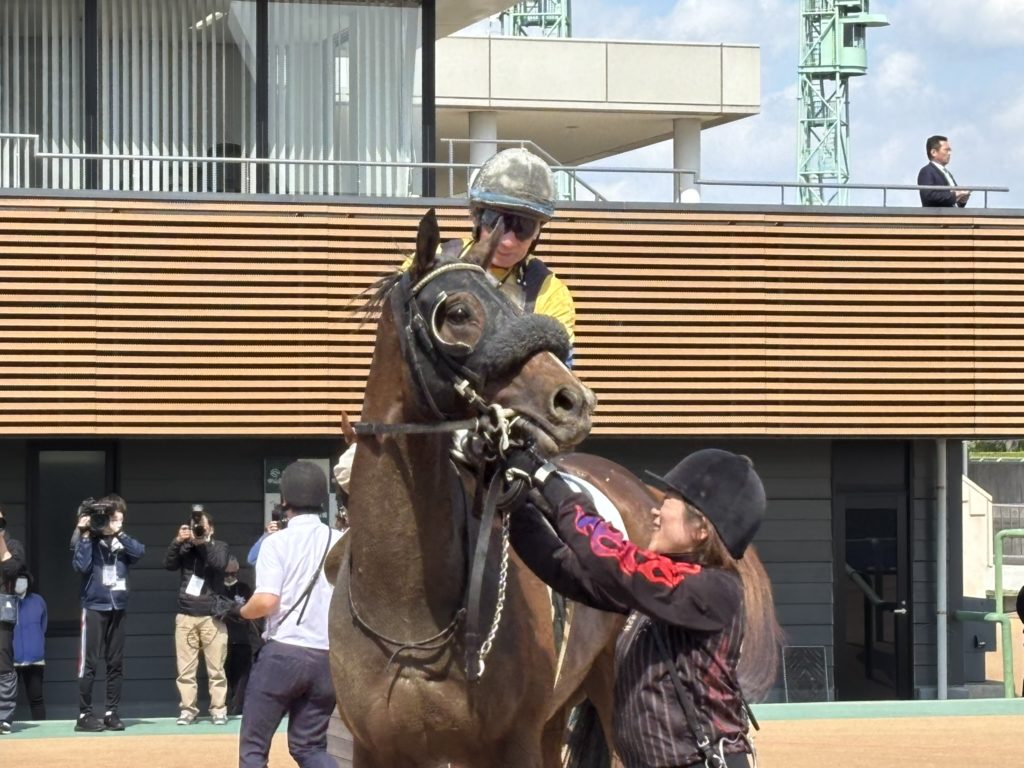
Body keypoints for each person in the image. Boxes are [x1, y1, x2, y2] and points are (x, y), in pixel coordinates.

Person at [501, 447, 782, 768]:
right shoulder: (661, 590)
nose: (655, 513)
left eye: (667, 503)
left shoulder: (714, 590)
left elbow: (610, 558)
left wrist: (551, 483)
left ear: (701, 529)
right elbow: (566, 571)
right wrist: (518, 509)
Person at [231, 460, 343, 768]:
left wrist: (240, 611)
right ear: (323, 500)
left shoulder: (275, 542)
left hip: (283, 655)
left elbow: (266, 601)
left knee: (254, 751)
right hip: (326, 657)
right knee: (309, 748)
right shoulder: (340, 541)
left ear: (283, 502)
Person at [72, 494, 145, 733]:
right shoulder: (89, 539)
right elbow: (80, 566)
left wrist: (118, 534)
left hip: (118, 607)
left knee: (115, 662)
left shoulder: (121, 541)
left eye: (119, 520)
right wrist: (84, 533)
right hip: (94, 606)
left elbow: (139, 552)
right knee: (89, 663)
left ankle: (111, 712)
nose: (115, 524)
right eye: (111, 519)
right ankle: (84, 714)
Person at [164, 505, 231, 725]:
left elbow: (218, 564)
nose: (199, 530)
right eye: (196, 527)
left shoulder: (220, 546)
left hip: (211, 615)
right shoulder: (186, 547)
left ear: (211, 528)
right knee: (185, 670)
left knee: (216, 668)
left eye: (202, 527)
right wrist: (178, 542)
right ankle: (187, 710)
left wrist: (203, 544)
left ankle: (219, 710)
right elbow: (169, 564)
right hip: (186, 614)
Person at [0, 506, 27, 735]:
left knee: (3, 663)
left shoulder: (13, 545)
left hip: (2, 612)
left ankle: (4, 716)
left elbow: (11, 570)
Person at [223, 556, 255, 716]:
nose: (229, 577)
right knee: (222, 675)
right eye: (227, 573)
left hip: (242, 639)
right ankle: (224, 708)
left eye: (233, 573)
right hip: (222, 638)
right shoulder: (217, 589)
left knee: (243, 677)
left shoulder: (244, 588)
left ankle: (239, 708)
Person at [12, 571, 47, 720]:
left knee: (36, 698)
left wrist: (36, 643)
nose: (20, 583)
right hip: (10, 658)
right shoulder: (6, 601)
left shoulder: (38, 601)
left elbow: (43, 626)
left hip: (35, 659)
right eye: (17, 580)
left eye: (23, 580)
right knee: (6, 699)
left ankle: (42, 733)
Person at [918, 135, 969, 208]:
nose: (949, 153)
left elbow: (954, 201)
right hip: (938, 217)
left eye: (949, 150)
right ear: (933, 152)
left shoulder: (948, 174)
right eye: (946, 150)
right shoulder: (926, 171)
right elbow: (929, 196)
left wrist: (962, 200)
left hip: (953, 216)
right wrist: (956, 194)